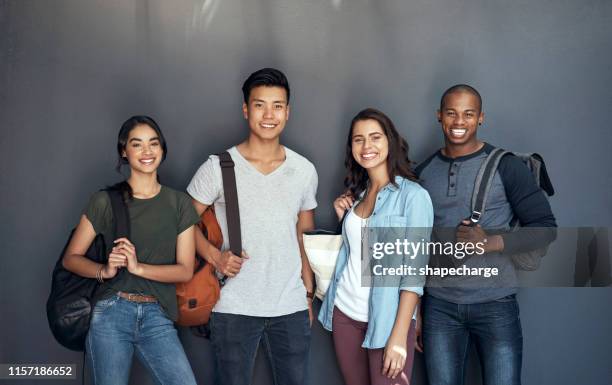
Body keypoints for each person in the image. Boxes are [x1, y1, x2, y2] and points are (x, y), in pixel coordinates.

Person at [414, 84, 557, 385]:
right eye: (451, 113)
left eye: (468, 114)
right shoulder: (424, 171)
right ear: (439, 116)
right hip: (439, 307)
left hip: (496, 304)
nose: (459, 122)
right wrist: (416, 312)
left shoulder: (506, 166)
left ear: (481, 118)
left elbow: (546, 228)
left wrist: (491, 242)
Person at [187, 68, 317, 385]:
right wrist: (215, 257)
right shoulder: (218, 166)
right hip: (233, 306)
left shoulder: (303, 170)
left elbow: (305, 236)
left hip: (290, 305)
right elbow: (181, 221)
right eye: (260, 105)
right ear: (246, 110)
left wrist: (308, 295)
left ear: (288, 111)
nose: (269, 114)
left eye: (277, 105)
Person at [62, 116, 199, 385]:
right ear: (124, 151)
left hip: (157, 315)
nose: (147, 152)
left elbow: (185, 270)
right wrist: (104, 269)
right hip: (111, 313)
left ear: (162, 148)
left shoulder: (179, 202)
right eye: (137, 145)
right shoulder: (105, 201)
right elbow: (71, 258)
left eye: (153, 143)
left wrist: (138, 267)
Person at [318, 108, 433, 385]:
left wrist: (399, 335)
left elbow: (414, 276)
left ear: (390, 141)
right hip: (345, 312)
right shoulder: (357, 195)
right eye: (358, 139)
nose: (367, 146)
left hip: (388, 321)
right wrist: (343, 219)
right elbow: (358, 254)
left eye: (375, 137)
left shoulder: (414, 197)